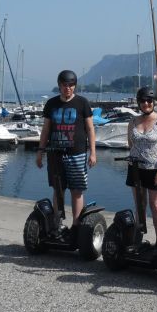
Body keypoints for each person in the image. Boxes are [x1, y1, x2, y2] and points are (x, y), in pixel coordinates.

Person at [36, 70, 97, 228]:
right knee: (58, 190)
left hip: (77, 153)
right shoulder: (51, 104)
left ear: (74, 86)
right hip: (55, 154)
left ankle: (77, 226)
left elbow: (90, 129)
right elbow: (46, 129)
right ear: (59, 86)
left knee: (77, 190)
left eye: (71, 85)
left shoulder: (82, 103)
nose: (67, 88)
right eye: (64, 85)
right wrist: (40, 151)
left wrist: (93, 153)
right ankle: (57, 224)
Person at [126, 86, 157, 240]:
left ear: (153, 102)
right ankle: (137, 239)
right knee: (140, 206)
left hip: (155, 170)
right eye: (143, 101)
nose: (146, 104)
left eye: (149, 101)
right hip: (136, 169)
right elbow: (130, 143)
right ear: (138, 103)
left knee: (156, 206)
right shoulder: (133, 121)